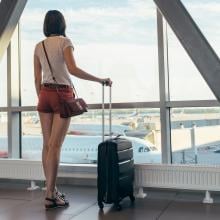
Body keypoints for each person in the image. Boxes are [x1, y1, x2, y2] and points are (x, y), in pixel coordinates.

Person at [34, 10, 112, 210]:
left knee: (47, 145)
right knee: (56, 146)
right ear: (62, 24)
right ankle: (50, 195)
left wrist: (42, 97)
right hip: (62, 94)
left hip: (44, 94)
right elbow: (73, 69)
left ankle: (52, 190)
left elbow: (36, 78)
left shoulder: (39, 46)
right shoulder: (64, 42)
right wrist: (100, 79)